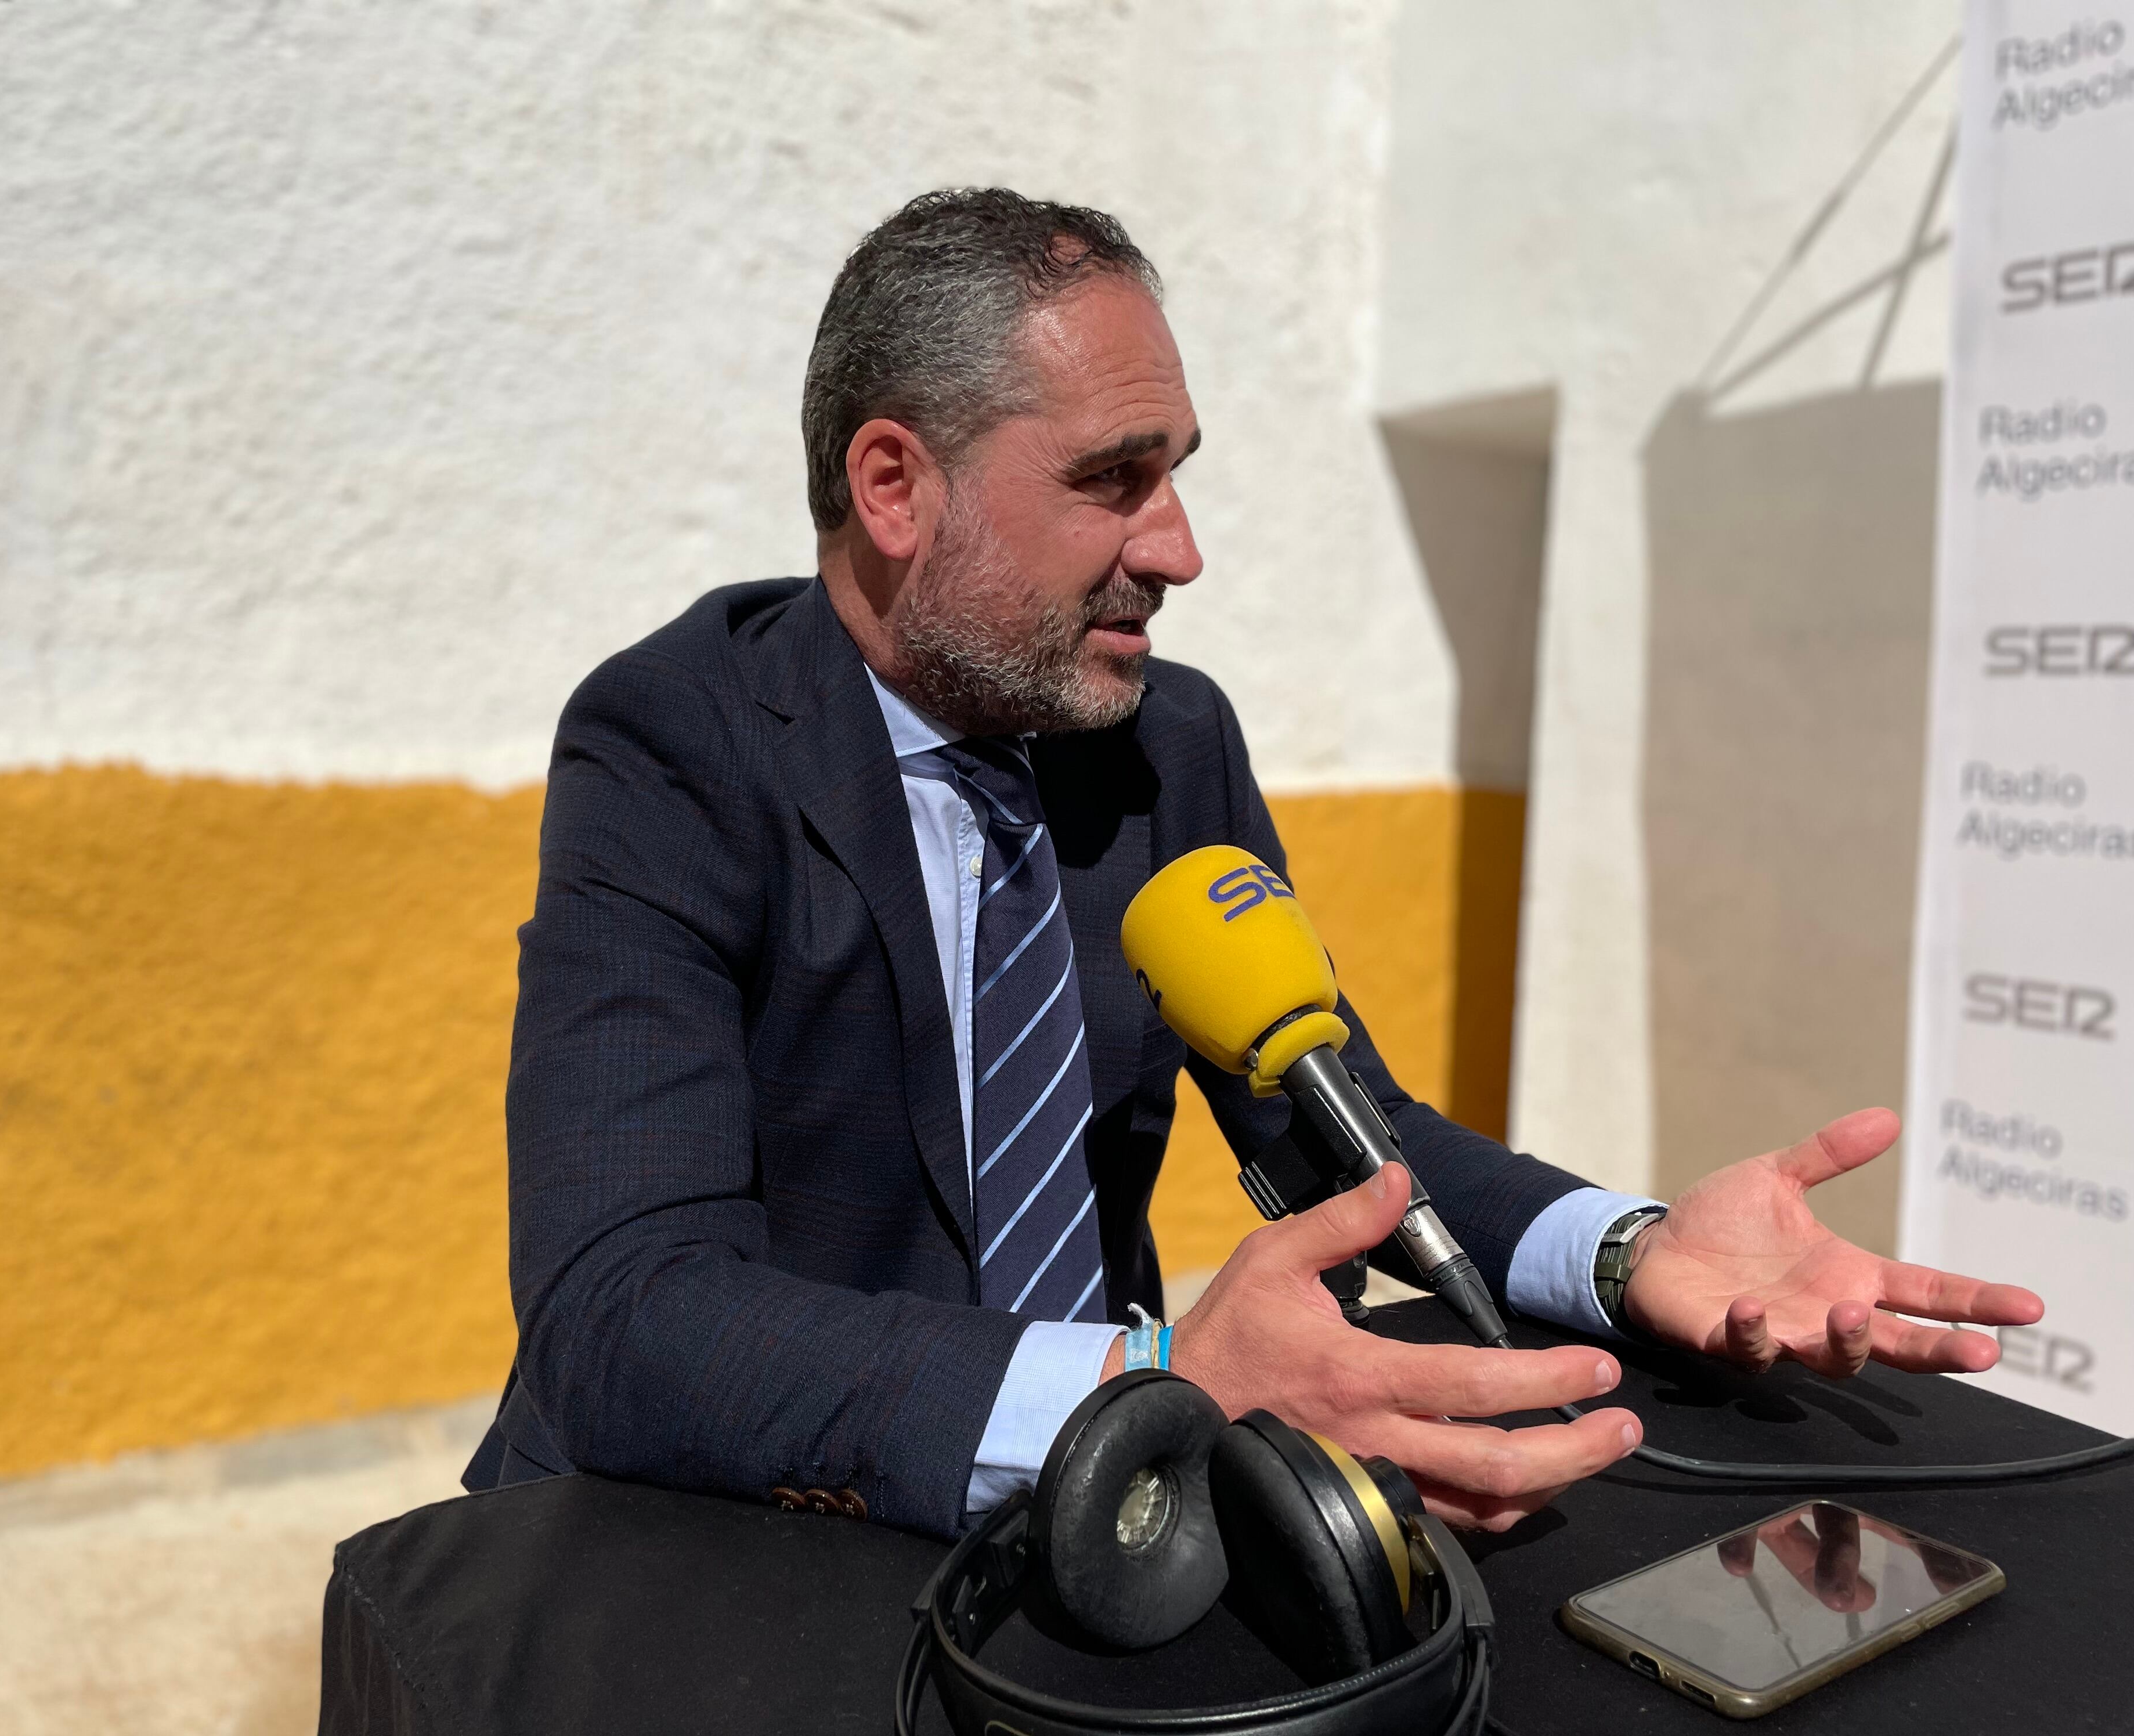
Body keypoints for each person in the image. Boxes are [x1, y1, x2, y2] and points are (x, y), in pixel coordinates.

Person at [461, 188, 2042, 1539]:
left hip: (1109, 1536)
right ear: (895, 486)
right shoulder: (677, 744)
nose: (1178, 547)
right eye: (1112, 478)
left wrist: (1628, 1253)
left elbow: (1349, 1127)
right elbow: (626, 1319)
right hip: (731, 1554)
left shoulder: (1169, 742)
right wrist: (1157, 1390)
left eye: (1181, 471)